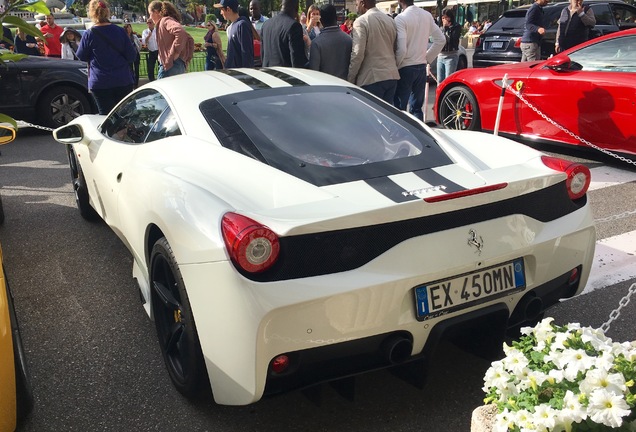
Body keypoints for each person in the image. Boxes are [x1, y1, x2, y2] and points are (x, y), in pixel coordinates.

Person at [76, 0, 137, 114]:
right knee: (127, 116)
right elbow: (131, 56)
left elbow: (81, 56)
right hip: (122, 79)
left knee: (106, 118)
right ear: (107, 12)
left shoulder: (89, 34)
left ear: (91, 13)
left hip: (100, 81)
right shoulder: (120, 31)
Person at [392, 0, 444, 119]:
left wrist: (396, 65)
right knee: (416, 108)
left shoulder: (401, 18)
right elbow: (441, 39)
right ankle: (417, 134)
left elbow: (402, 49)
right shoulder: (426, 15)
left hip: (405, 66)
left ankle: (398, 136)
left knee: (399, 109)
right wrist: (427, 58)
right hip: (420, 66)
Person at [348, 0, 400, 104]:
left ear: (363, 3)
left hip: (372, 78)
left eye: (357, 4)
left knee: (370, 118)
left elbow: (357, 53)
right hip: (391, 75)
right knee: (387, 116)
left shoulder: (361, 21)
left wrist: (350, 79)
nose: (356, 7)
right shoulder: (390, 20)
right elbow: (396, 48)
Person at [148, 0, 195, 79]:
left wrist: (175, 52)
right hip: (175, 64)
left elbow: (180, 32)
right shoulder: (166, 21)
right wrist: (186, 59)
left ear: (156, 12)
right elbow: (190, 39)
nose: (150, 18)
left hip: (171, 65)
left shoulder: (165, 21)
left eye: (150, 14)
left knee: (160, 90)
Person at [309, 3, 352, 80]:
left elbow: (313, 72)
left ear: (321, 20)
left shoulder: (316, 43)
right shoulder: (349, 40)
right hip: (346, 87)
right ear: (336, 18)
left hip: (326, 88)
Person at [260, 0, 307, 68]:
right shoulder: (294, 26)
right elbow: (297, 61)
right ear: (296, 8)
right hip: (285, 76)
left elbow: (263, 55)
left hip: (267, 74)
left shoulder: (266, 24)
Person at [214, 0, 253, 68]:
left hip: (239, 74)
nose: (221, 13)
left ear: (228, 9)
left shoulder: (242, 25)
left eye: (222, 10)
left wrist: (246, 75)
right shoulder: (232, 26)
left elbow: (246, 54)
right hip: (232, 72)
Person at [436, 8, 462, 84]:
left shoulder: (456, 27)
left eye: (446, 17)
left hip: (451, 55)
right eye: (443, 18)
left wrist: (446, 28)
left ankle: (448, 95)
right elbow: (438, 39)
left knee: (448, 80)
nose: (444, 20)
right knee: (440, 80)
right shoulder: (441, 27)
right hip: (441, 55)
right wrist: (443, 28)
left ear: (450, 17)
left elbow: (452, 40)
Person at [123, 23, 141, 87]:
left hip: (136, 55)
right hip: (128, 56)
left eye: (130, 27)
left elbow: (139, 45)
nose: (129, 29)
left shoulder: (134, 36)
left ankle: (136, 84)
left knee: (137, 70)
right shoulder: (124, 37)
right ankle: (132, 83)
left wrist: (137, 50)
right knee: (130, 70)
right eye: (128, 27)